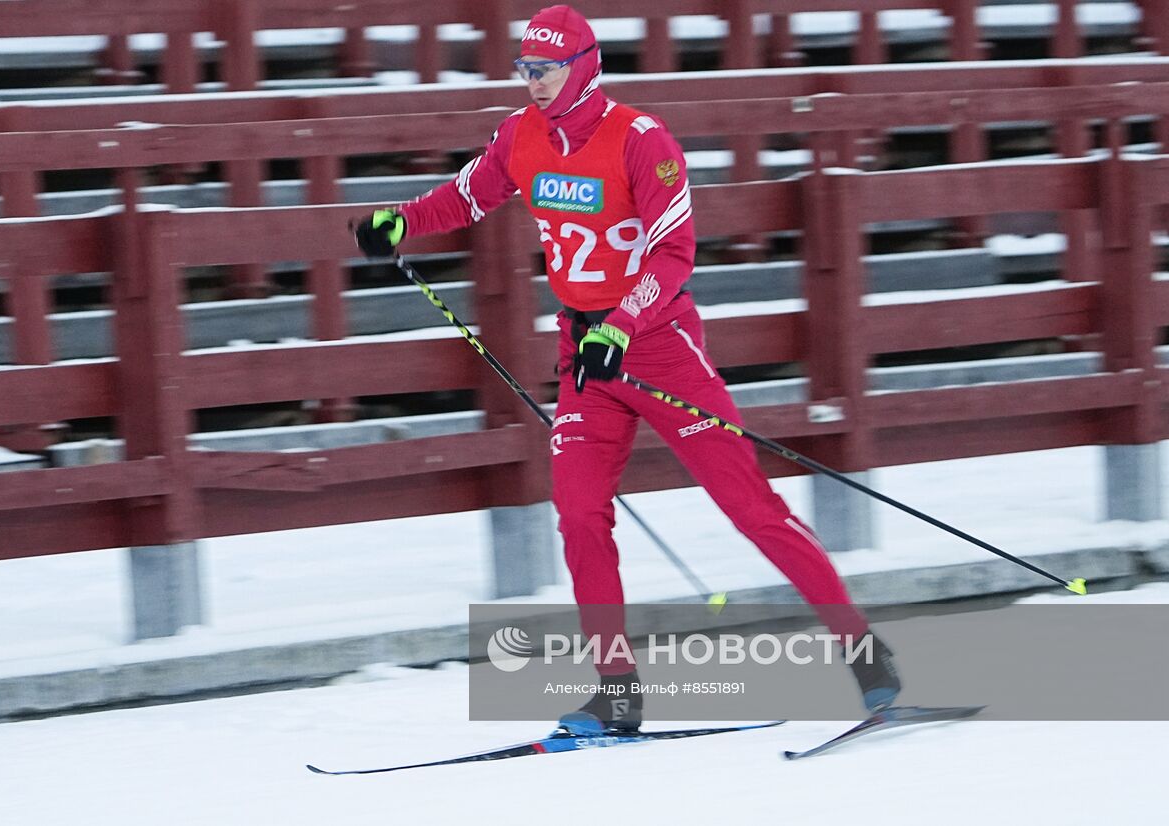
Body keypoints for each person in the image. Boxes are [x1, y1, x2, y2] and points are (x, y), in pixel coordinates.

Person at [354, 4, 900, 733]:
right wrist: (402, 220)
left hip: (661, 347)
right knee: (578, 512)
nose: (533, 83)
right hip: (585, 354)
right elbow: (470, 195)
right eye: (525, 70)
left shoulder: (640, 139)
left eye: (545, 70)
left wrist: (622, 322)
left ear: (582, 67)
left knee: (749, 508)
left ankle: (862, 650)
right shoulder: (522, 136)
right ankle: (617, 688)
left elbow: (674, 253)